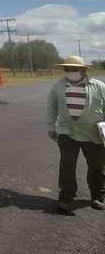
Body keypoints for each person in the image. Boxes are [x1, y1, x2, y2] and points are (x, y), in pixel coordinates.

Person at [47, 55, 105, 212]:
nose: (71, 72)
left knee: (97, 166)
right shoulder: (58, 87)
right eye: (68, 69)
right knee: (67, 165)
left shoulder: (99, 86)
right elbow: (52, 107)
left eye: (75, 69)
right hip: (67, 132)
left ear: (84, 70)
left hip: (93, 133)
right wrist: (51, 127)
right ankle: (66, 197)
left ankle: (97, 196)